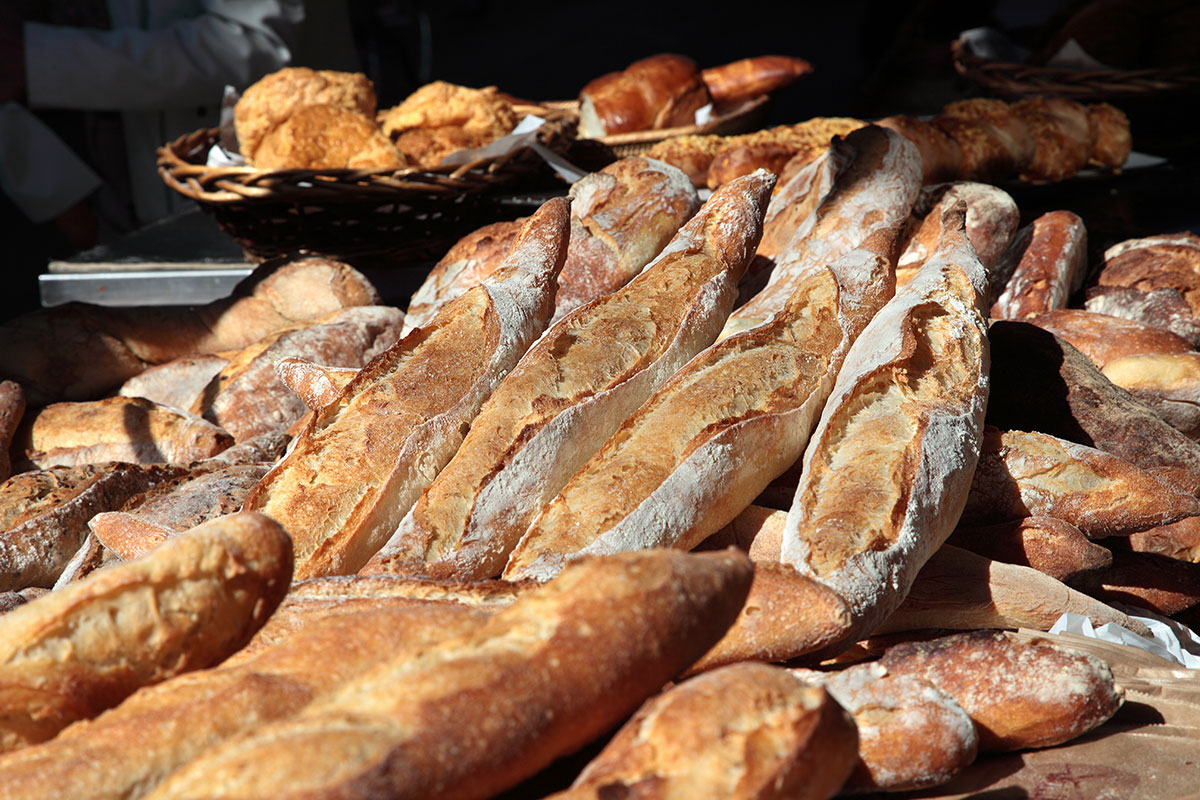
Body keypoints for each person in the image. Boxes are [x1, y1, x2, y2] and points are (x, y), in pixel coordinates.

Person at [0, 1, 358, 319]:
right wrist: (56, 193)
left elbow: (248, 45)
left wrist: (38, 59)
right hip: (88, 209)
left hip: (252, 216)